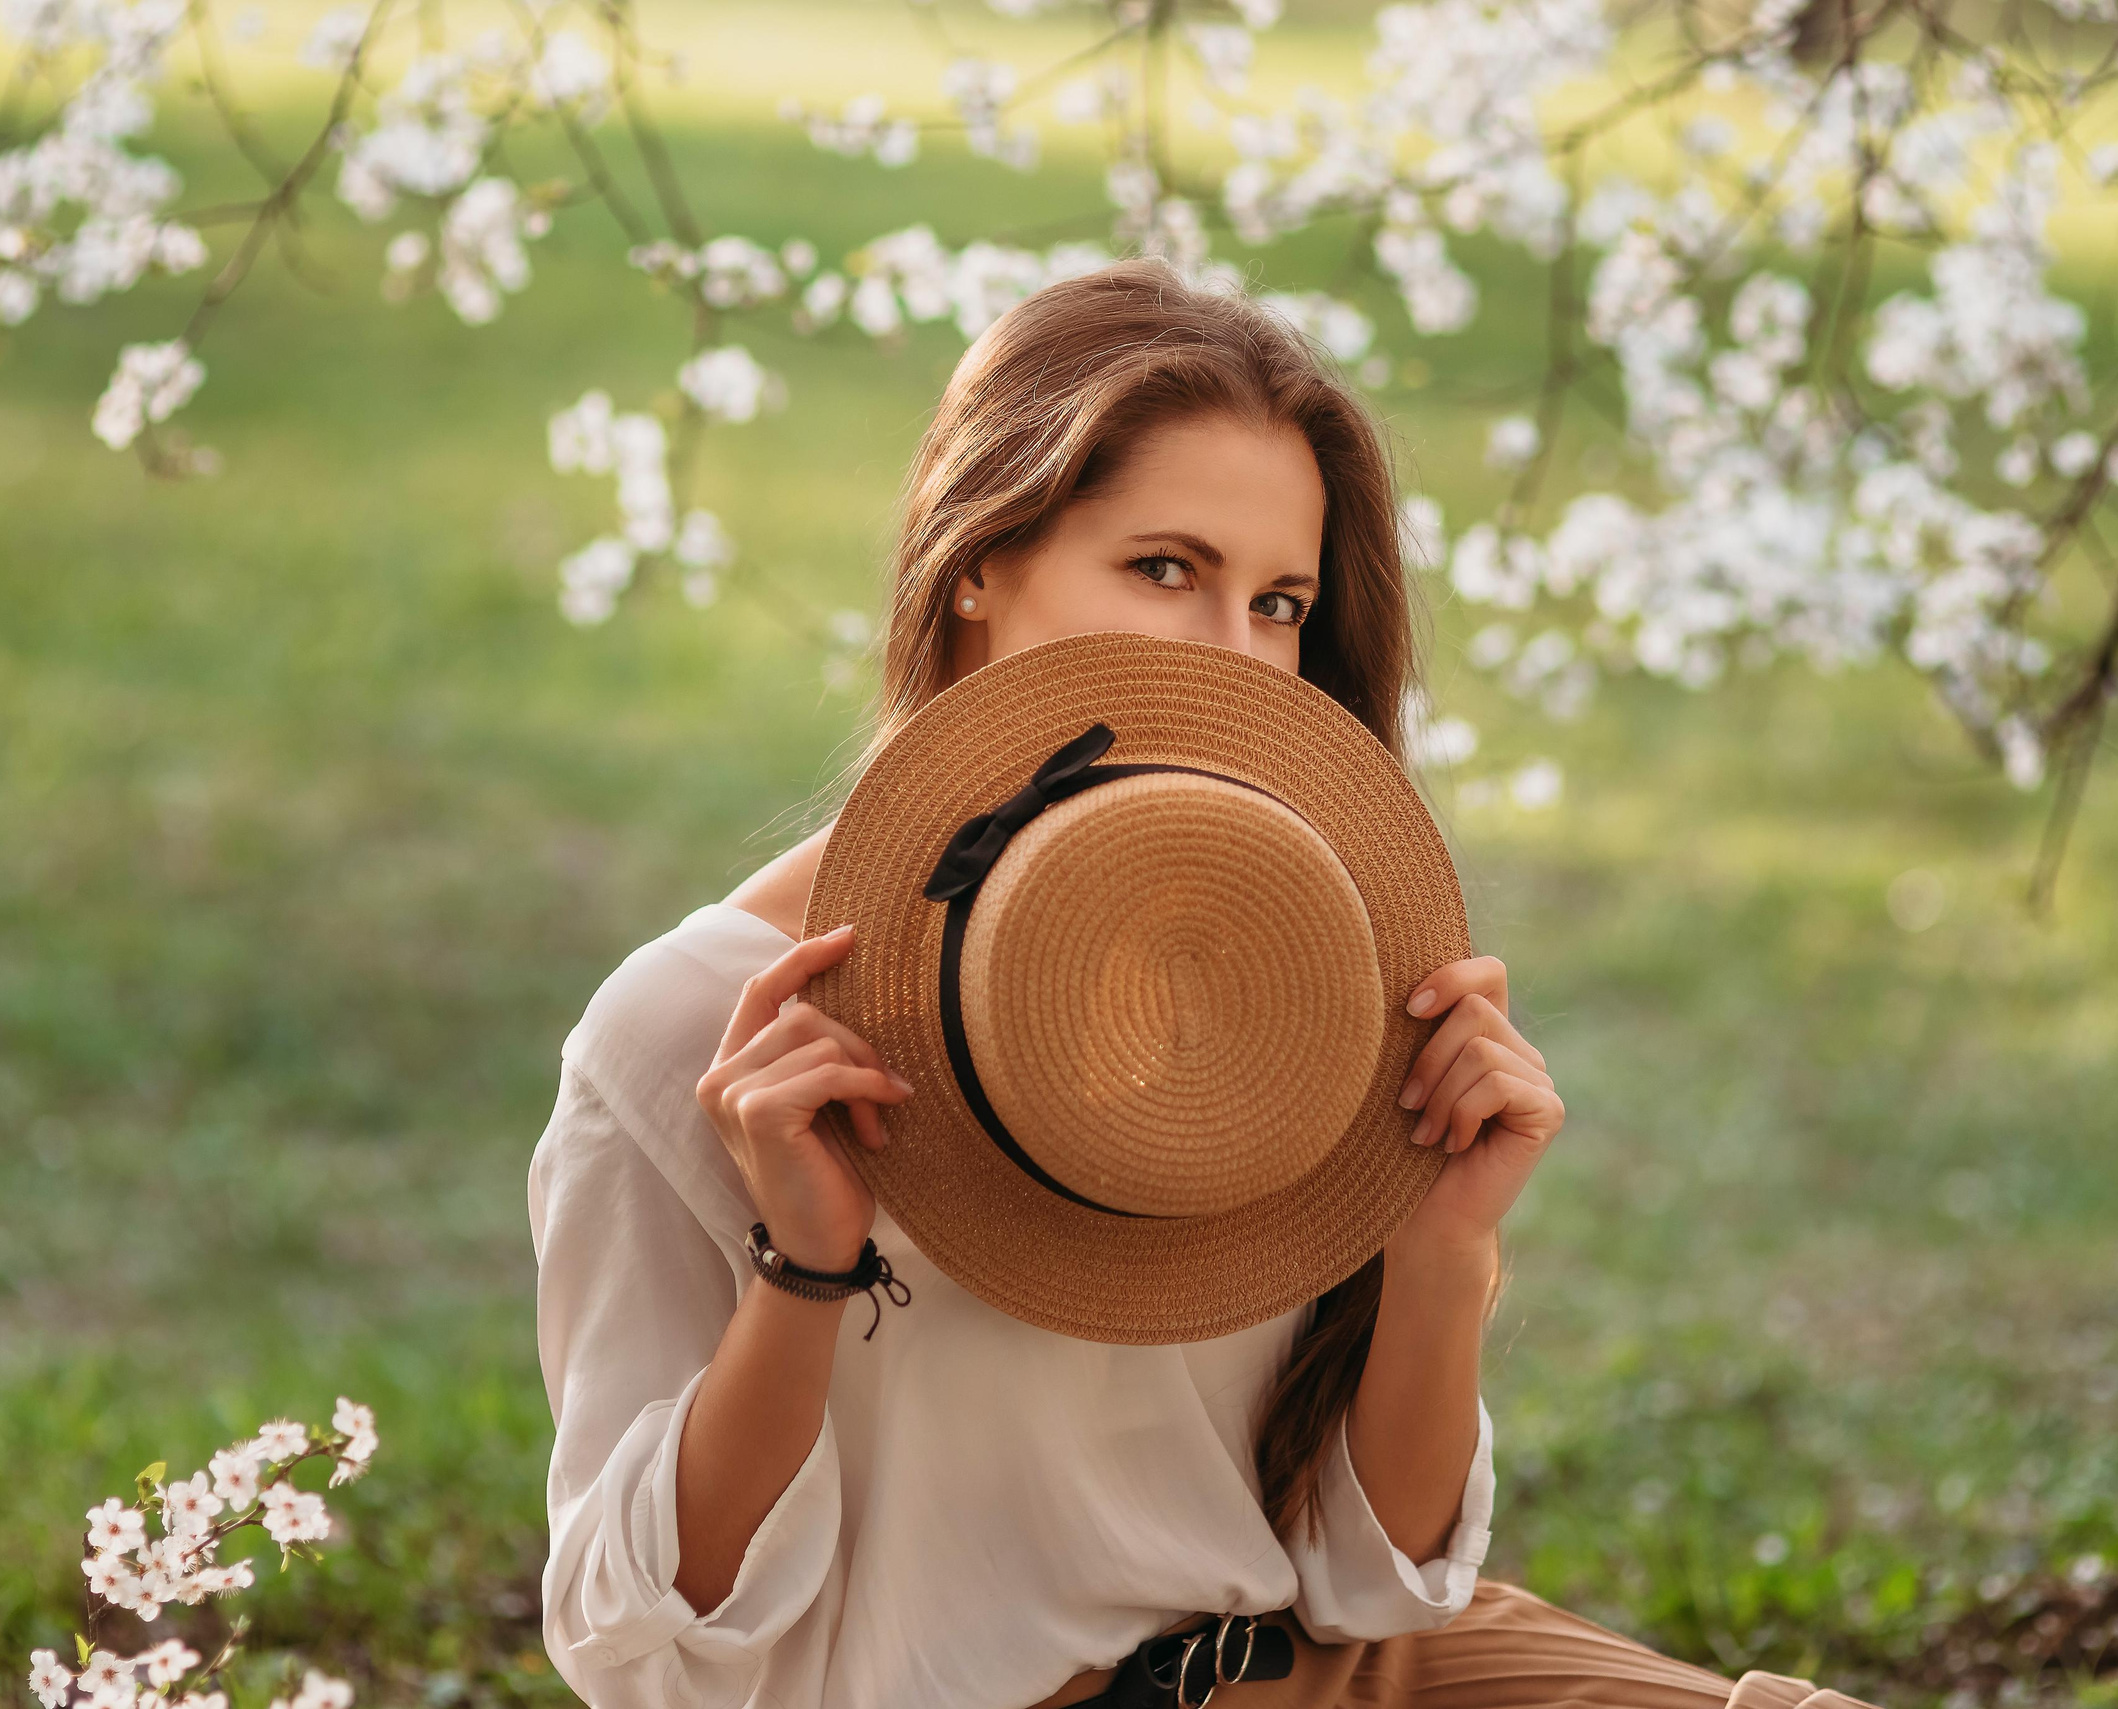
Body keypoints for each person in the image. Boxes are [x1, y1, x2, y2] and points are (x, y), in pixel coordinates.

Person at [526, 261, 1876, 1709]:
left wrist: (1441, 1247)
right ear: (976, 557)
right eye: (1165, 569)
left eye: (1280, 602)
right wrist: (804, 1268)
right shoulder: (690, 1034)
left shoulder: (1303, 961)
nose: (1235, 657)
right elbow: (641, 1656)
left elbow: (1373, 1573)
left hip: (1363, 1672)